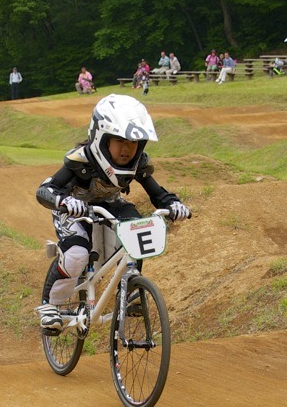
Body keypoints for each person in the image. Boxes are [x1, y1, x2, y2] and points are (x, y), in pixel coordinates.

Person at [34, 94, 191, 332]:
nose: (127, 149)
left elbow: (157, 192)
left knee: (137, 229)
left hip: (110, 203)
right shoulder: (81, 160)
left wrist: (173, 204)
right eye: (120, 141)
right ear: (102, 138)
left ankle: (129, 292)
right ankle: (50, 305)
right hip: (74, 207)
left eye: (133, 142)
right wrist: (63, 200)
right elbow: (45, 189)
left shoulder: (139, 163)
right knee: (76, 254)